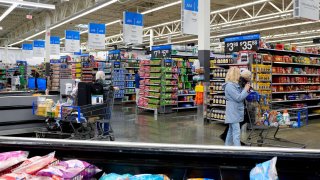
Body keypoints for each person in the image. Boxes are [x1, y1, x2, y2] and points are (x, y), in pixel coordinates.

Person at [220, 70, 252, 143]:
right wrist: (246, 90)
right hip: (233, 112)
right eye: (238, 74)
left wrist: (246, 89)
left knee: (230, 132)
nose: (240, 76)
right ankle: (238, 151)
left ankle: (227, 148)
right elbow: (238, 98)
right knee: (236, 133)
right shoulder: (230, 86)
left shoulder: (234, 85)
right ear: (234, 75)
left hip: (235, 111)